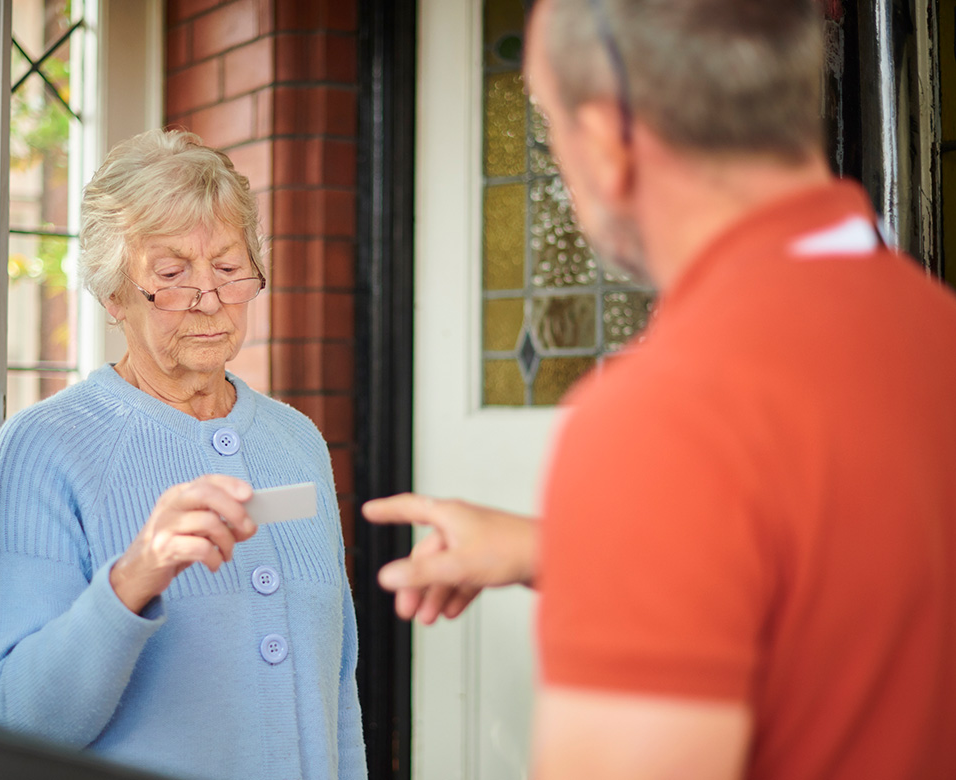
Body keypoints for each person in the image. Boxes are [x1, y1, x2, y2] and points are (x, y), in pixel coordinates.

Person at [364, 0, 956, 777]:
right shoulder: (931, 326)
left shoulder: (667, 417)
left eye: (550, 129)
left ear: (609, 142)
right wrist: (568, 548)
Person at [0, 128, 366, 780]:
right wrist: (136, 575)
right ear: (112, 295)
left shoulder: (296, 439)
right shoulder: (45, 445)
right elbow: (21, 717)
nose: (210, 299)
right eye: (172, 274)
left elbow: (337, 691)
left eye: (227, 267)